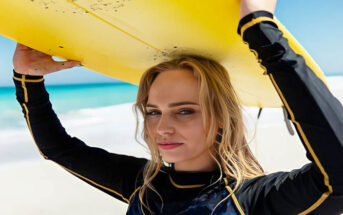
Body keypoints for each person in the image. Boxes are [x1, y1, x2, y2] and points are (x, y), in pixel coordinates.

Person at [11, 0, 343, 214]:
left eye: (185, 111)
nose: (161, 128)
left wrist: (261, 30)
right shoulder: (144, 187)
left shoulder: (253, 200)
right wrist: (27, 80)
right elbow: (58, 148)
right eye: (153, 111)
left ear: (222, 119)